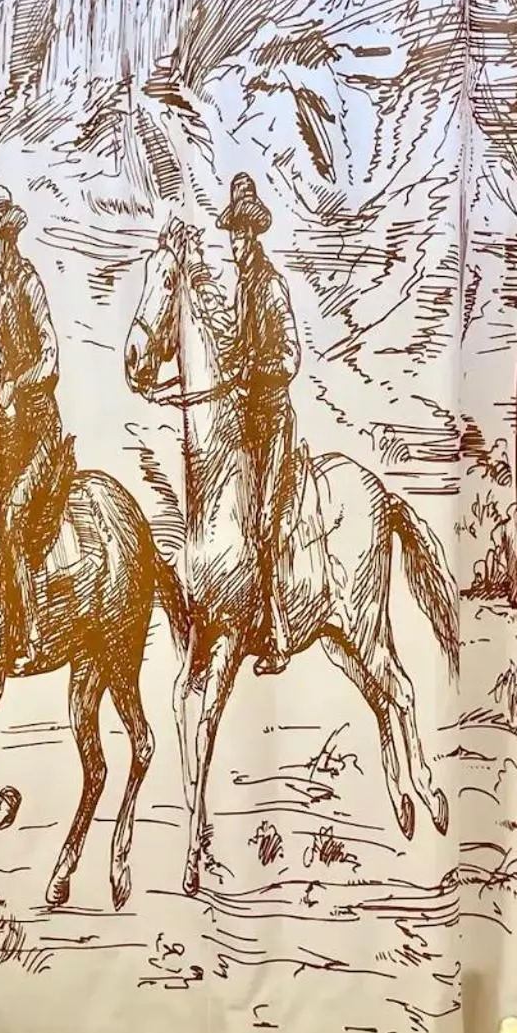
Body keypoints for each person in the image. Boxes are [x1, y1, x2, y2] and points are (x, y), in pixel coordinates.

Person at [218, 172, 300, 676]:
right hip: (247, 421)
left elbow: (290, 357)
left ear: (253, 235)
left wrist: (255, 370)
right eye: (232, 233)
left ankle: (278, 634)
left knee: (266, 524)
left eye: (241, 233)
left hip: (272, 422)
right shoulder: (242, 288)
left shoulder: (270, 286)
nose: (235, 242)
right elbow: (237, 347)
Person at [0, 188, 67, 664]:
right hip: (17, 430)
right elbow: (10, 361)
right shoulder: (1, 293)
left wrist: (18, 383)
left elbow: (50, 358)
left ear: (11, 240)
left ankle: (32, 630)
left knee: (14, 513)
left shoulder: (29, 284)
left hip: (41, 428)